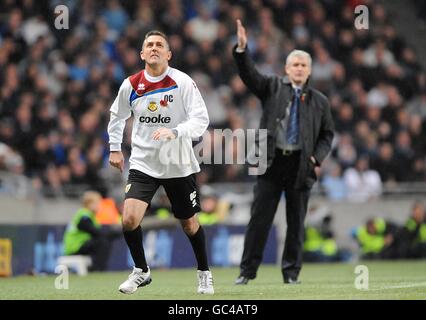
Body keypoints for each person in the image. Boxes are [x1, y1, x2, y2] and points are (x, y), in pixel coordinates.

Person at [107, 30, 213, 294]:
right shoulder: (131, 84)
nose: (154, 48)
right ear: (142, 54)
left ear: (168, 54)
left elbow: (201, 119)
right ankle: (141, 271)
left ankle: (204, 272)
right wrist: (114, 149)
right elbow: (117, 116)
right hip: (143, 163)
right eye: (149, 45)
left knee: (189, 223)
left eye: (159, 45)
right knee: (129, 219)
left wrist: (175, 132)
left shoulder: (183, 82)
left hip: (177, 162)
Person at [233, 20, 334, 285]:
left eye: (303, 65)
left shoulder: (320, 102)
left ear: (309, 71)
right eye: (295, 65)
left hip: (300, 166)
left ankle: (291, 274)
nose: (299, 69)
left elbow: (327, 134)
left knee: (296, 224)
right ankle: (247, 272)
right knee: (259, 221)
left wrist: (316, 158)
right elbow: (250, 76)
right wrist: (242, 51)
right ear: (286, 69)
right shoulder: (272, 87)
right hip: (271, 162)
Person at [63, 191, 116, 271]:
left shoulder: (88, 215)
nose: (100, 206)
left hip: (79, 245)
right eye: (98, 203)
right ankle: (98, 269)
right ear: (90, 204)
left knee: (103, 240)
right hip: (75, 247)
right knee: (102, 241)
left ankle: (97, 268)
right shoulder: (84, 215)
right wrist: (113, 233)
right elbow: (94, 231)